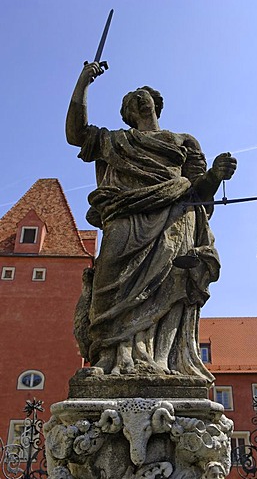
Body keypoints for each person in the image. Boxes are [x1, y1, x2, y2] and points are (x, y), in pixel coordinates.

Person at [66, 62, 237, 380]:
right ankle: (110, 357)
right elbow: (76, 134)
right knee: (109, 283)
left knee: (168, 285)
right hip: (124, 217)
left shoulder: (184, 141)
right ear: (128, 114)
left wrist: (214, 174)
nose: (139, 100)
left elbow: (198, 194)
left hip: (173, 220)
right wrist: (83, 83)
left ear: (156, 103)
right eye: (132, 100)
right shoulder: (115, 140)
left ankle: (162, 362)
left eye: (142, 95)